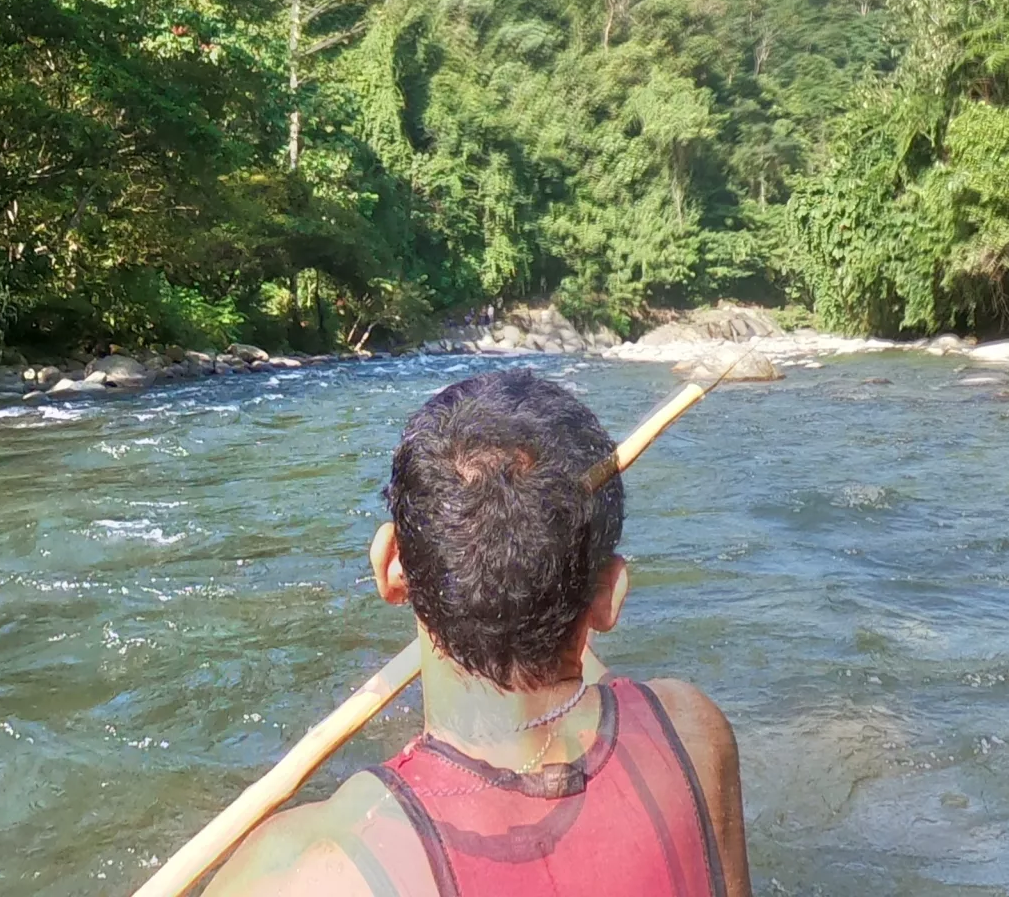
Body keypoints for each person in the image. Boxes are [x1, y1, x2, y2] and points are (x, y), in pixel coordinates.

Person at [206, 369, 750, 897]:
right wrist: (561, 576)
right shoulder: (693, 737)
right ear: (609, 596)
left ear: (391, 564)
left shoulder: (305, 869)